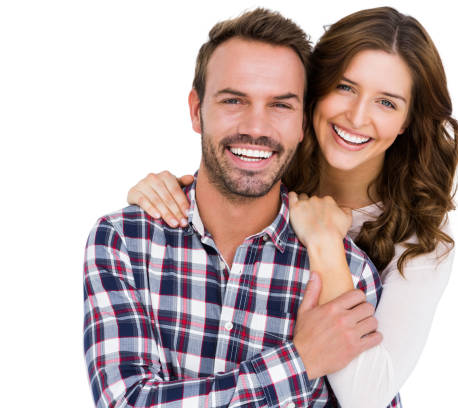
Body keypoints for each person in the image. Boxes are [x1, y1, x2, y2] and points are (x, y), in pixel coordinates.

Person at [126, 6, 458, 408]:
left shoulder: (420, 243)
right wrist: (161, 192)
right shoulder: (268, 161)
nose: (357, 116)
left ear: (406, 120)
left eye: (387, 103)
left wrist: (326, 246)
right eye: (346, 88)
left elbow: (368, 396)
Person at [83, 8, 392, 408]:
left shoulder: (346, 273)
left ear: (302, 123)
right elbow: (127, 401)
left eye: (280, 105)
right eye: (234, 100)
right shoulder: (125, 241)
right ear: (197, 110)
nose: (257, 127)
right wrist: (300, 362)